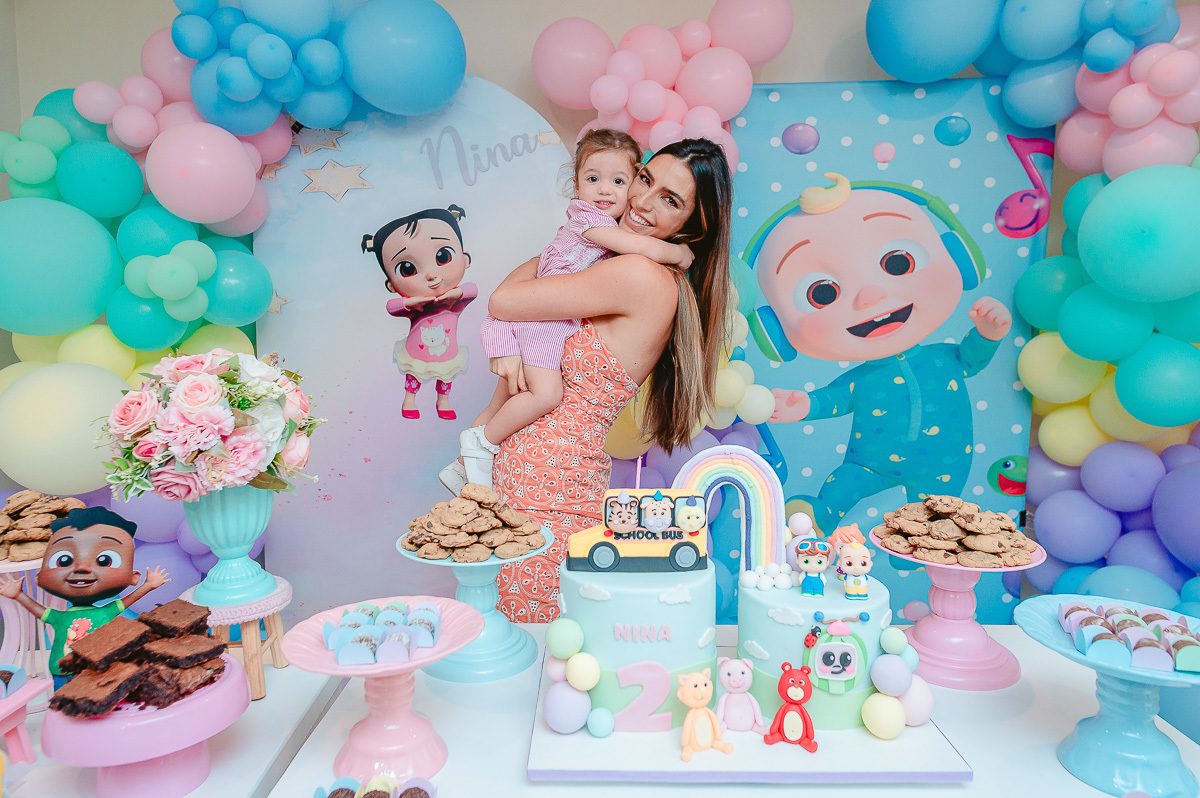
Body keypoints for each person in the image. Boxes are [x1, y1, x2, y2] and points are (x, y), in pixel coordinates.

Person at [485, 137, 733, 623]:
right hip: (544, 476)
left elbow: (502, 301)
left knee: (528, 637)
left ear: (694, 226)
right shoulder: (625, 266)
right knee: (524, 635)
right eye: (644, 179)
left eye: (670, 200)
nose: (641, 201)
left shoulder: (638, 274)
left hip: (546, 483)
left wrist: (572, 242)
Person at [441, 129, 695, 492]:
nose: (633, 199)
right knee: (529, 395)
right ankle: (476, 450)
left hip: (549, 467)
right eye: (644, 181)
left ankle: (467, 459)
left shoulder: (634, 271)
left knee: (505, 398)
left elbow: (509, 298)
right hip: (540, 453)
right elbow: (503, 300)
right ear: (576, 185)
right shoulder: (598, 228)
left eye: (619, 181)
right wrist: (680, 254)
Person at [0, 507, 169, 689]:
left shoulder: (105, 612)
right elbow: (40, 612)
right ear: (39, 577)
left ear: (133, 577)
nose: (81, 568)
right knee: (64, 704)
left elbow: (127, 601)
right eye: (63, 560)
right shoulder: (60, 618)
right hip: (62, 670)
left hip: (99, 669)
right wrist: (18, 595)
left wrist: (148, 585)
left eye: (104, 560)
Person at [361, 205, 477, 421]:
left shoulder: (454, 303)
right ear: (391, 285)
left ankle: (443, 401)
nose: (431, 275)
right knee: (413, 374)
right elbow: (392, 308)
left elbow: (473, 291)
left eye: (443, 256)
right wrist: (412, 302)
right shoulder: (416, 306)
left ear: (465, 259)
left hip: (448, 353)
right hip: (417, 352)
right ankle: (409, 399)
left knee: (447, 377)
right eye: (408, 269)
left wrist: (456, 293)